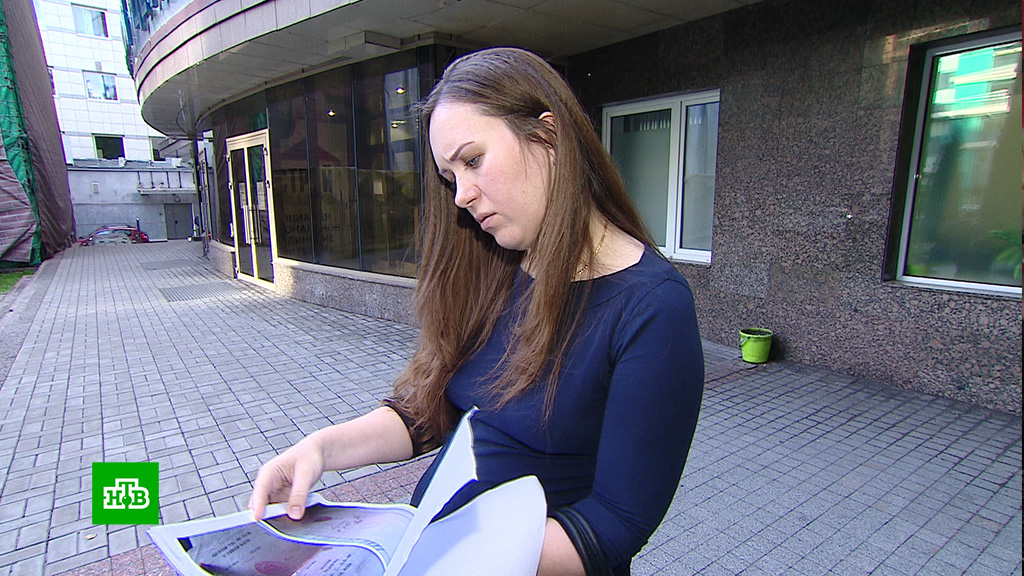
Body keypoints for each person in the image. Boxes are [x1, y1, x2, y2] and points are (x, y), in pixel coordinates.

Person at [249, 47, 704, 576]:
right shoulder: (493, 265)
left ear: (548, 137)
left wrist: (452, 556)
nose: (461, 196)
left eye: (472, 160)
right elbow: (427, 414)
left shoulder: (652, 308)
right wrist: (320, 451)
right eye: (449, 177)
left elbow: (613, 525)